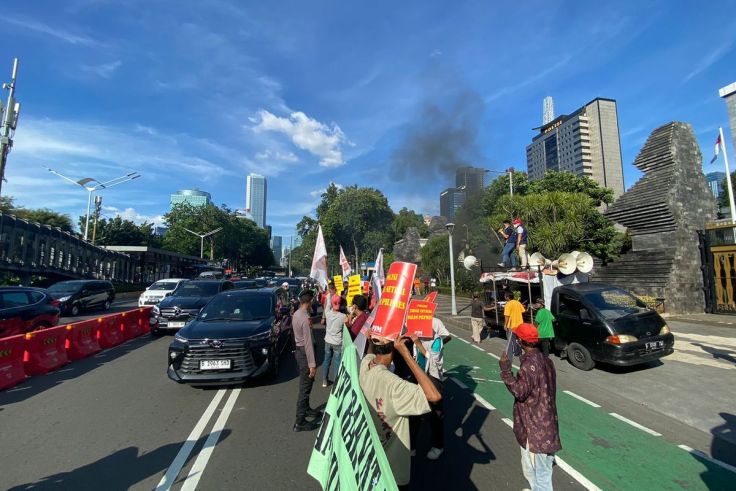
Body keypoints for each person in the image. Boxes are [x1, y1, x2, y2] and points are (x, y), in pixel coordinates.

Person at [360, 336, 441, 489]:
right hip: (392, 470)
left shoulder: (365, 365)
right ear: (393, 350)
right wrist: (407, 355)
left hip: (371, 457)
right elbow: (434, 395)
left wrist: (371, 341)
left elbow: (370, 353)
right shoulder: (393, 385)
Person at [499, 323, 561, 490]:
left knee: (539, 472)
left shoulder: (529, 365)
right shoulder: (547, 361)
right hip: (548, 424)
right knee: (542, 469)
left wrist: (505, 370)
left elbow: (520, 391)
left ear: (520, 341)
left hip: (535, 429)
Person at [409, 317, 452, 460]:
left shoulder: (436, 328)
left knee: (436, 413)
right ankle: (411, 445)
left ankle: (438, 445)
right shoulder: (412, 322)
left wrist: (419, 343)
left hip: (433, 376)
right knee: (413, 412)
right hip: (417, 374)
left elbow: (434, 360)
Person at [292, 291, 321, 432]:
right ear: (308, 302)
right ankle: (300, 421)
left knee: (306, 385)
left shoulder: (297, 314)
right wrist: (312, 364)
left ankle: (307, 409)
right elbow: (308, 343)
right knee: (305, 388)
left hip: (299, 351)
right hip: (305, 353)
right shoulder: (305, 319)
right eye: (313, 301)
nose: (313, 303)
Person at [323, 295, 346, 387]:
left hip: (327, 341)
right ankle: (336, 384)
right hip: (337, 343)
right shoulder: (343, 316)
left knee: (326, 360)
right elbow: (349, 325)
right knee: (337, 363)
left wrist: (329, 296)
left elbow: (328, 304)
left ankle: (325, 381)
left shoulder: (327, 313)